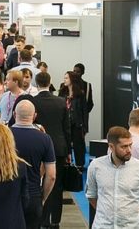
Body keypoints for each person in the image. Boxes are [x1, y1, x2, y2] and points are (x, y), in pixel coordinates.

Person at [86, 127, 139, 228]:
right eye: (124, 147)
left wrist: (129, 218)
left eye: (130, 145)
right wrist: (106, 215)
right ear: (111, 147)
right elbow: (91, 196)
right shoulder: (95, 166)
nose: (129, 150)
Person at [29, 72, 71, 228]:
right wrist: (68, 151)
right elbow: (67, 129)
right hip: (59, 147)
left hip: (38, 147)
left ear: (36, 83)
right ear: (49, 82)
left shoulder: (33, 102)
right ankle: (55, 220)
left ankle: (43, 219)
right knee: (57, 185)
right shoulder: (61, 102)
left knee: (40, 183)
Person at [10, 101, 58, 229]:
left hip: (7, 195)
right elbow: (51, 175)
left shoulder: (4, 136)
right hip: (32, 194)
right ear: (34, 116)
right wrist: (43, 198)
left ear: (14, 114)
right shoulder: (45, 139)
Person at [62, 71, 90, 169]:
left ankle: (80, 165)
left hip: (77, 124)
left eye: (66, 78)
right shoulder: (62, 93)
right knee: (66, 144)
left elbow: (84, 112)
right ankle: (67, 163)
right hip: (65, 124)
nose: (64, 80)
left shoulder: (80, 94)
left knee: (79, 145)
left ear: (71, 79)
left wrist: (85, 127)